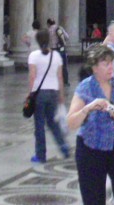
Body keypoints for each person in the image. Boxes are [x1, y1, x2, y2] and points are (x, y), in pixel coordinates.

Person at [67, 43, 114, 205]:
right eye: (105, 64)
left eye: (111, 62)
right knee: (93, 199)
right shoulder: (85, 87)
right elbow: (71, 122)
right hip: (90, 150)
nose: (110, 67)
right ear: (94, 67)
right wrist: (88, 108)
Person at [29, 31, 70, 163]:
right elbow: (60, 77)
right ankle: (63, 146)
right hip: (53, 92)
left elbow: (32, 77)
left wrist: (30, 94)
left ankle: (40, 155)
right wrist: (61, 95)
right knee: (53, 122)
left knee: (39, 125)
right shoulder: (56, 55)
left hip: (39, 93)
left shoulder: (34, 56)